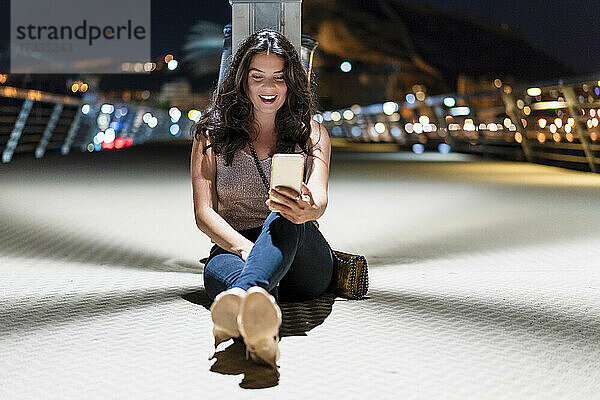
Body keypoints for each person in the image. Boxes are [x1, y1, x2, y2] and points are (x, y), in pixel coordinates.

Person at [189, 28, 333, 371]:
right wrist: (244, 249)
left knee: (282, 209)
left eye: (279, 79)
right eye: (258, 78)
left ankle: (248, 290)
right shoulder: (212, 133)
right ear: (243, 81)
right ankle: (257, 322)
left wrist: (306, 207)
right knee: (217, 271)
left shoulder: (311, 134)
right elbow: (203, 213)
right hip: (236, 246)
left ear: (291, 82)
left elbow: (321, 200)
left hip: (301, 252)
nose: (268, 88)